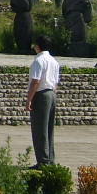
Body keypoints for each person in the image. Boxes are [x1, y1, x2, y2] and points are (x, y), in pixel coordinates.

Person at [25, 34, 60, 167]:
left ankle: (43, 161)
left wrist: (29, 99)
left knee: (40, 129)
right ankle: (50, 158)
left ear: (38, 46)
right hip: (51, 93)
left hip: (41, 94)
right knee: (49, 128)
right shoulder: (54, 61)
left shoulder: (39, 60)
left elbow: (35, 81)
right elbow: (55, 83)